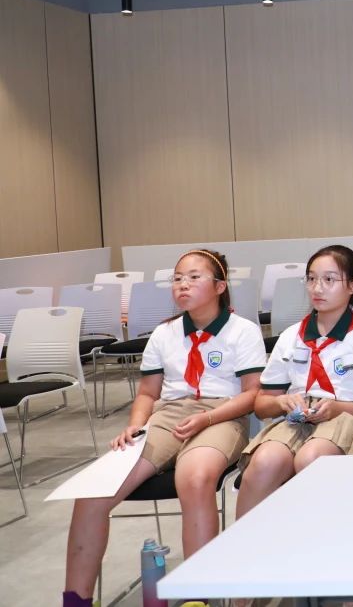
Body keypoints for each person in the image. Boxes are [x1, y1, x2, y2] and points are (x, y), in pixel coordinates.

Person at [64, 250, 265, 607]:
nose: (183, 284)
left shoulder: (243, 330)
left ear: (220, 286)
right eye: (177, 278)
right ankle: (76, 601)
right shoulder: (164, 333)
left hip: (222, 414)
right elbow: (147, 393)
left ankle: (196, 598)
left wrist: (206, 419)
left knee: (194, 478)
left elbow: (252, 394)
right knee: (95, 490)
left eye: (194, 277)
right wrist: (135, 426)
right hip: (169, 415)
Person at [235, 245, 353, 521]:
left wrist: (339, 408)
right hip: (297, 420)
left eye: (329, 280)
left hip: (352, 420)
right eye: (311, 279)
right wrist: (281, 402)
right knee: (264, 462)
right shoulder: (291, 336)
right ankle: (242, 544)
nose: (317, 288)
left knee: (311, 459)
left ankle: (316, 540)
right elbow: (261, 406)